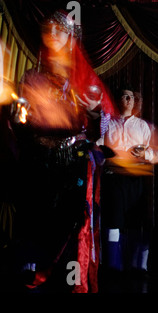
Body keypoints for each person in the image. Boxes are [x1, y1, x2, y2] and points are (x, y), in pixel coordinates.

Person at [10, 10, 114, 293]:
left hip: (71, 163)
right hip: (37, 159)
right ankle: (32, 275)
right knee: (33, 221)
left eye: (60, 31)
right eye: (49, 30)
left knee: (68, 223)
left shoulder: (84, 81)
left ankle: (64, 280)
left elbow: (101, 126)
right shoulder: (32, 77)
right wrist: (18, 116)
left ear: (71, 39)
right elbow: (21, 123)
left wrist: (92, 114)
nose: (52, 36)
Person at [98, 85, 158, 279]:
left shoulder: (143, 126)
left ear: (135, 103)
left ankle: (136, 267)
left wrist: (146, 153)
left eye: (131, 97)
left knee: (135, 222)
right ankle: (113, 266)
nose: (127, 100)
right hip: (114, 177)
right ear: (118, 101)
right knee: (114, 221)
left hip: (135, 179)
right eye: (124, 96)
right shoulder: (109, 123)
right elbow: (99, 145)